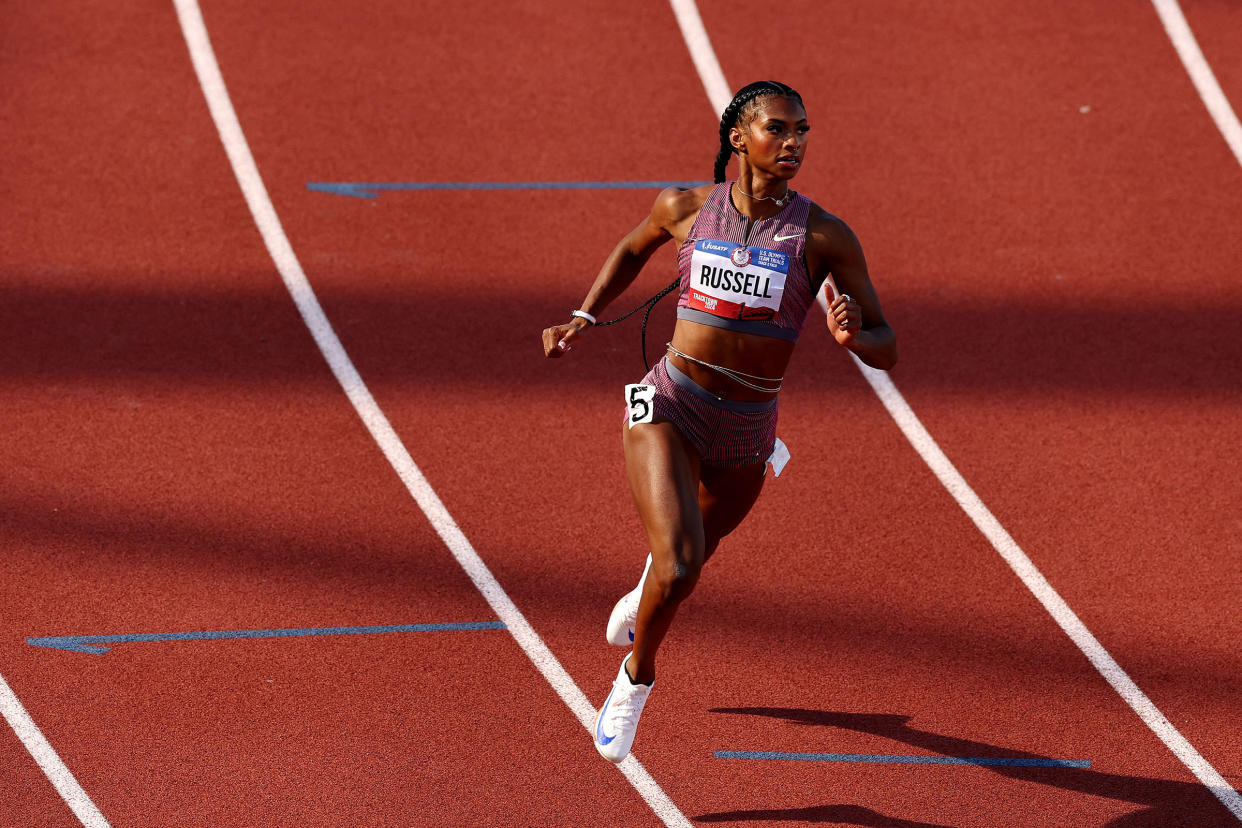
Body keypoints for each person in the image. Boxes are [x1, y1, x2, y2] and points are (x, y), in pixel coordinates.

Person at [541, 81, 897, 762]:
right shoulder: (685, 207)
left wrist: (856, 341)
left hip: (749, 431)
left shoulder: (823, 236)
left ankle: (648, 585)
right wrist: (584, 316)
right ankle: (634, 679)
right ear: (739, 135)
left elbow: (889, 344)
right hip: (670, 404)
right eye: (777, 129)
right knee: (678, 568)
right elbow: (631, 248)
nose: (792, 143)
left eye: (802, 131)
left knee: (688, 561)